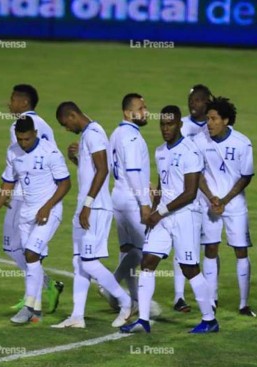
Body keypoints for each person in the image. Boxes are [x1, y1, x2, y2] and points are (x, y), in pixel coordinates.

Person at [120, 106, 218, 334]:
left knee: (189, 267)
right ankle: (143, 321)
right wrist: (153, 215)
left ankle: (209, 319)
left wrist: (159, 212)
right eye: (162, 124)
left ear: (179, 125)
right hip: (163, 217)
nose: (165, 128)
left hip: (185, 216)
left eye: (170, 124)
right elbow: (162, 187)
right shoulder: (160, 151)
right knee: (148, 261)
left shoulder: (190, 152)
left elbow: (190, 193)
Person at [52, 102, 132, 329]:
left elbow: (103, 169)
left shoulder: (94, 134)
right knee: (79, 262)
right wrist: (75, 161)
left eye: (65, 123)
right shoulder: (89, 134)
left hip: (95, 208)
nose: (66, 129)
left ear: (72, 115)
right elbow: (92, 171)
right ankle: (77, 316)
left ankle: (126, 302)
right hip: (85, 206)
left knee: (89, 262)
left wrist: (88, 204)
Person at [0, 116, 71, 324]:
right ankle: (37, 310)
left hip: (49, 212)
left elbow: (65, 184)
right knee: (31, 259)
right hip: (26, 213)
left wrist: (47, 207)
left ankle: (28, 307)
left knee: (32, 253)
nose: (23, 143)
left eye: (26, 139)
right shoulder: (13, 152)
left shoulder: (50, 152)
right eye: (20, 139)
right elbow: (7, 183)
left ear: (34, 133)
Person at [5, 84, 64, 313]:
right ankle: (36, 295)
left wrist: (9, 194)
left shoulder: (18, 126)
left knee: (13, 247)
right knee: (30, 250)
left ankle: (41, 291)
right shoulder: (45, 125)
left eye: (12, 99)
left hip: (25, 196)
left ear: (24, 102)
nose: (9, 103)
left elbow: (21, 163)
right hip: (43, 195)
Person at [193, 96, 255, 316]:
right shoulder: (199, 141)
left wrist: (225, 200)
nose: (208, 123)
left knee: (240, 250)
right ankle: (211, 299)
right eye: (207, 119)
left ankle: (244, 304)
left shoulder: (242, 143)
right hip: (208, 204)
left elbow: (245, 177)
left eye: (213, 119)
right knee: (210, 248)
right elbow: (197, 173)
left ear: (226, 120)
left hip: (234, 205)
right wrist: (211, 198)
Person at [98, 93, 151, 313]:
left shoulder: (117, 133)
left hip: (118, 197)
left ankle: (134, 300)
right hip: (131, 200)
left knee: (128, 251)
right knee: (144, 252)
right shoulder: (131, 136)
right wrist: (144, 202)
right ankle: (110, 285)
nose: (145, 112)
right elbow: (133, 171)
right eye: (140, 108)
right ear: (128, 113)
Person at [171, 84, 214, 313]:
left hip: (209, 197)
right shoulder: (183, 126)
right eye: (191, 100)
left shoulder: (214, 125)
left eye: (198, 100)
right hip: (185, 196)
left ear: (208, 101)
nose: (192, 103)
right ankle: (179, 296)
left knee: (208, 247)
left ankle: (210, 297)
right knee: (184, 247)